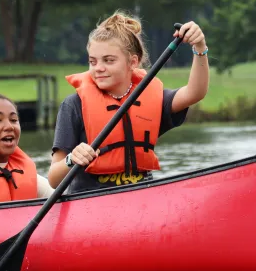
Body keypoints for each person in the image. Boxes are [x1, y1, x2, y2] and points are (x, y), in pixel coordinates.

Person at [48, 10, 209, 194]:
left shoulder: (151, 98)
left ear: (133, 62)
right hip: (91, 205)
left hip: (142, 201)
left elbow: (195, 92)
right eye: (93, 62)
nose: (99, 68)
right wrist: (71, 159)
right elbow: (53, 179)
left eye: (108, 60)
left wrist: (199, 47)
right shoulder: (73, 105)